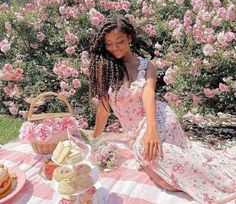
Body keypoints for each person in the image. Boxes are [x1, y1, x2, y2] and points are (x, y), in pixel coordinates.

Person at [89, 15, 236, 203]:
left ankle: (217, 182)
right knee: (164, 179)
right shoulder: (106, 68)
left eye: (120, 41)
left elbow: (149, 94)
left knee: (152, 156)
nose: (114, 47)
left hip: (157, 116)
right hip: (135, 128)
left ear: (130, 39)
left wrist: (152, 130)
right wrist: (94, 139)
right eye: (109, 43)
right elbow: (103, 108)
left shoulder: (147, 65)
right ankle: (193, 178)